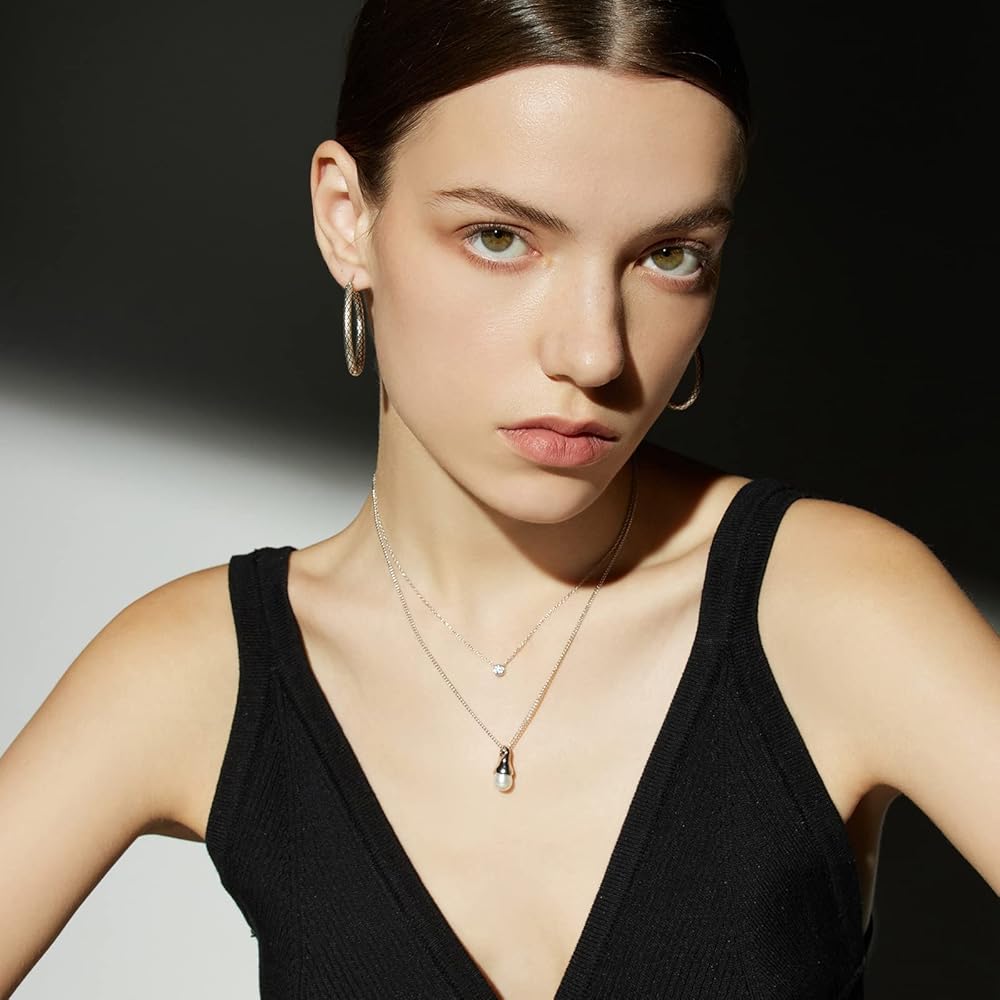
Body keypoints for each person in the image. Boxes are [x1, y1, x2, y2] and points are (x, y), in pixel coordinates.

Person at [2, 1, 998, 997]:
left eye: (669, 255)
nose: (594, 352)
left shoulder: (835, 611)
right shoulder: (200, 671)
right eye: (499, 237)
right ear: (347, 217)